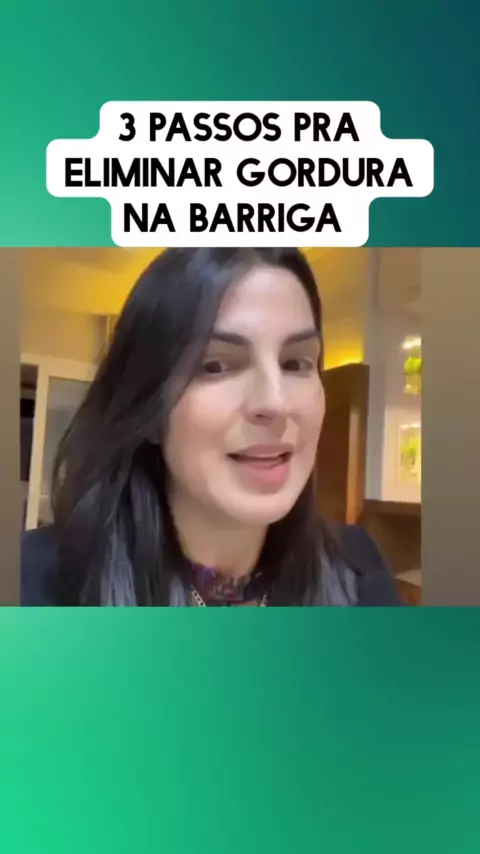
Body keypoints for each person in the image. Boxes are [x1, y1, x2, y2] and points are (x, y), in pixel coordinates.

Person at [21, 248, 399, 607]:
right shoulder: (32, 581)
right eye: (216, 366)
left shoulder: (357, 571)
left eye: (295, 363)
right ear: (148, 406)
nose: (276, 403)